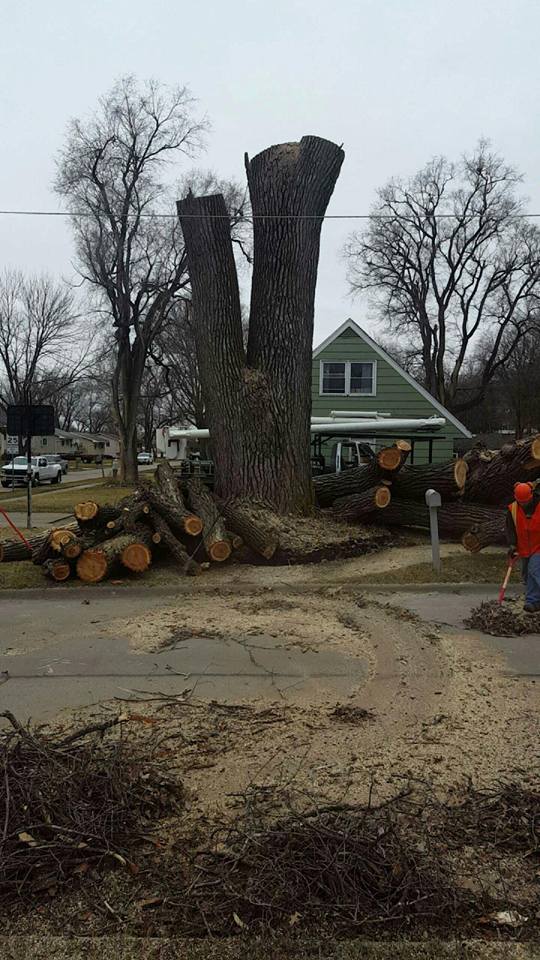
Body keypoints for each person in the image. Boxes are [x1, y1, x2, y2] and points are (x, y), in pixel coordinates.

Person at [506, 481, 540, 613]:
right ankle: (536, 601)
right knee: (526, 575)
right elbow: (510, 528)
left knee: (534, 570)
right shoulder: (513, 509)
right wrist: (512, 544)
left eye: (525, 502)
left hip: (538, 546)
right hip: (524, 547)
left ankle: (531, 600)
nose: (523, 504)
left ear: (531, 497)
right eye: (520, 502)